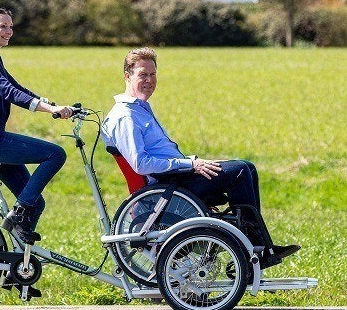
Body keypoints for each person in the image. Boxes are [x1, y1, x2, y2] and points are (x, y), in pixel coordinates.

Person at [101, 47, 300, 267]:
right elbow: (141, 164)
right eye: (143, 75)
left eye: (153, 74)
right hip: (167, 191)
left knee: (247, 168)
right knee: (242, 171)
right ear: (127, 76)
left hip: (176, 180)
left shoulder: (140, 109)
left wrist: (191, 163)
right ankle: (253, 248)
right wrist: (191, 164)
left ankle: (257, 246)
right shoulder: (125, 116)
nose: (149, 80)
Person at [0, 6, 74, 246]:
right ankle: (18, 213)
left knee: (36, 203)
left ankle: (19, 266)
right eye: (3, 26)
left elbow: (16, 86)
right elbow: (7, 91)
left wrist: (50, 104)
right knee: (55, 154)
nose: (9, 31)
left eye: (11, 26)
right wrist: (49, 110)